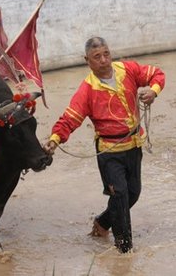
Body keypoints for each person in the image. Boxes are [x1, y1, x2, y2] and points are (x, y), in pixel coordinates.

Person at [43, 36, 165, 253]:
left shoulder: (127, 69)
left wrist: (153, 91)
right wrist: (55, 139)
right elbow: (70, 118)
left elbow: (157, 74)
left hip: (134, 145)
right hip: (110, 152)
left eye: (106, 54)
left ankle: (102, 223)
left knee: (133, 194)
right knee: (119, 196)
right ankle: (124, 250)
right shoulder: (87, 90)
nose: (103, 60)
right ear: (87, 60)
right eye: (96, 57)